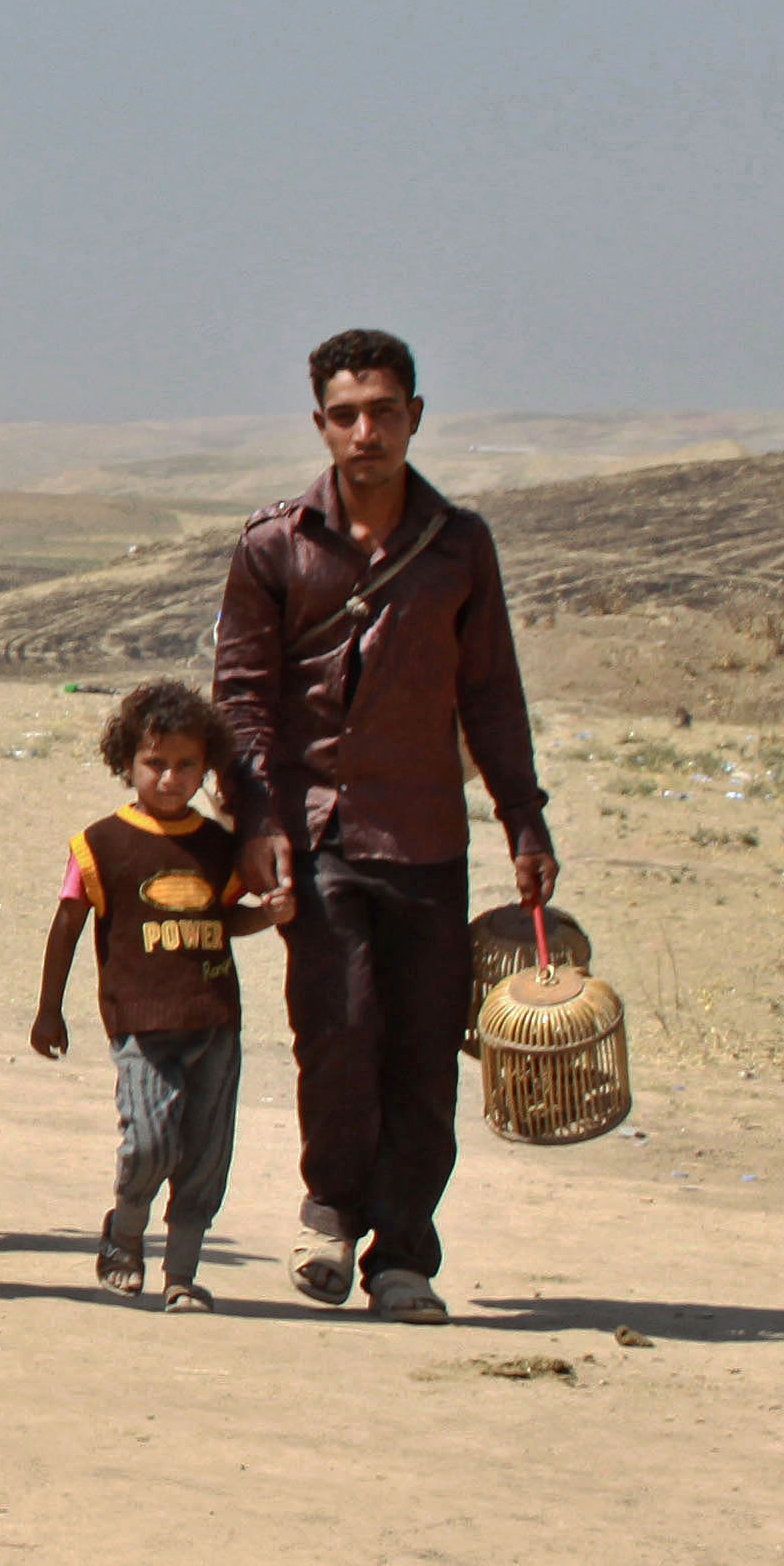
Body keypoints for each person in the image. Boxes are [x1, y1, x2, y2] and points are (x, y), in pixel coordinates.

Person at [211, 328, 556, 1325]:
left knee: (419, 1048)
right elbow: (241, 695)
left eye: (386, 410)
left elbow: (490, 690)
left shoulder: (459, 545)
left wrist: (523, 820)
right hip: (315, 830)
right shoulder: (274, 543)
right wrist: (254, 820)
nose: (368, 430)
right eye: (348, 413)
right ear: (321, 423)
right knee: (340, 1026)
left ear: (414, 416)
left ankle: (403, 1251)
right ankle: (330, 1211)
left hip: (426, 835)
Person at [32, 682, 275, 1312]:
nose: (170, 778)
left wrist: (269, 914)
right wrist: (48, 1008)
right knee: (148, 1143)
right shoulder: (100, 844)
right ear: (127, 763)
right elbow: (68, 922)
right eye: (155, 763)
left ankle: (183, 1273)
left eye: (186, 765)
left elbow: (226, 920)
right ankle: (125, 1235)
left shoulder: (220, 847)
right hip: (140, 1022)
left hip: (213, 1018)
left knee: (205, 1151)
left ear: (206, 766)